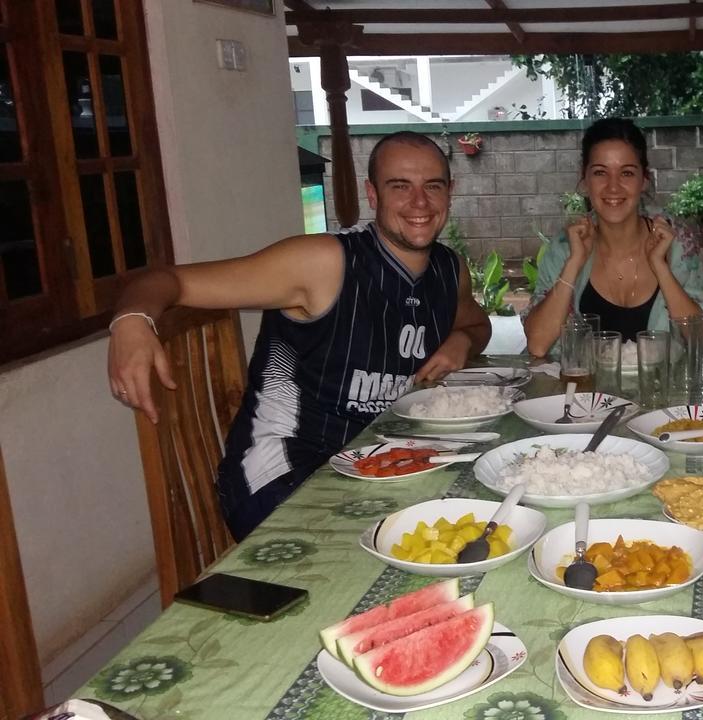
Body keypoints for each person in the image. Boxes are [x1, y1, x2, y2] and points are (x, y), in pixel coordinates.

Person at [107, 131, 491, 539]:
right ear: (373, 194)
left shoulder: (448, 270)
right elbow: (168, 281)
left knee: (474, 511)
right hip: (283, 470)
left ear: (451, 192)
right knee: (396, 550)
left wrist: (462, 340)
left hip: (376, 458)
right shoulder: (321, 263)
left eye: (432, 186)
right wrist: (132, 320)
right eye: (400, 186)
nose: (419, 203)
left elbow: (477, 324)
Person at [523, 118, 703, 356]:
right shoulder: (565, 247)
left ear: (644, 180)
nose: (613, 187)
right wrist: (573, 264)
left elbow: (701, 339)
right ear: (584, 181)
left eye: (627, 173)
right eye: (600, 172)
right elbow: (538, 345)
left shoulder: (676, 243)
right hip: (583, 391)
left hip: (662, 390)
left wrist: (661, 268)